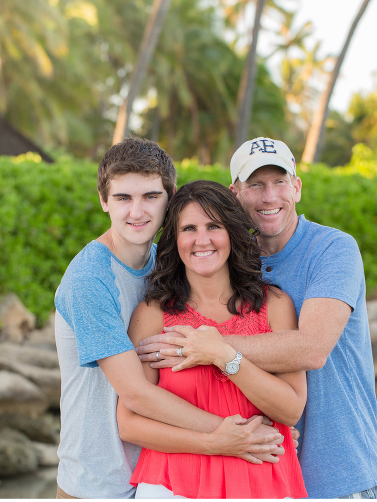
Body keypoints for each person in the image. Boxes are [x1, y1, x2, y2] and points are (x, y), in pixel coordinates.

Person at [137, 137, 377, 499]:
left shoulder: (332, 249)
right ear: (235, 195)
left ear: (297, 188)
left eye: (280, 182)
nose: (269, 197)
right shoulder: (226, 260)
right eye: (256, 185)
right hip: (269, 467)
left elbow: (312, 349)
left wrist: (200, 346)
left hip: (342, 471)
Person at [53, 138, 286, 500]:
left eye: (150, 196)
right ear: (103, 201)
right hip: (97, 481)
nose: (137, 212)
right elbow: (137, 394)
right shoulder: (90, 280)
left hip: (156, 470)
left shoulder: (158, 272)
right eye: (123, 198)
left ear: (170, 198)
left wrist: (265, 425)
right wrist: (235, 432)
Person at [117, 180, 308, 499]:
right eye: (188, 228)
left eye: (213, 226)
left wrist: (224, 355)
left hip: (263, 484)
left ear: (231, 232)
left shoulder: (273, 306)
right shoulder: (152, 315)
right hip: (173, 486)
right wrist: (216, 442)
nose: (201, 240)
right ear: (174, 240)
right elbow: (130, 424)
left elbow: (290, 411)